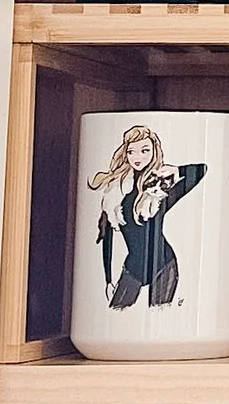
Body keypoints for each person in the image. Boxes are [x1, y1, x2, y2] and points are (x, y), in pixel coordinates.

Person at [87, 122, 207, 309]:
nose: (138, 157)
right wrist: (108, 280)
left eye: (144, 150)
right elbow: (107, 237)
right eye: (131, 151)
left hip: (165, 265)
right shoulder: (115, 192)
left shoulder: (158, 188)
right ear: (125, 154)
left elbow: (201, 170)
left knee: (160, 317)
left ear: (154, 152)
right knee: (117, 311)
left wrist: (177, 170)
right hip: (134, 267)